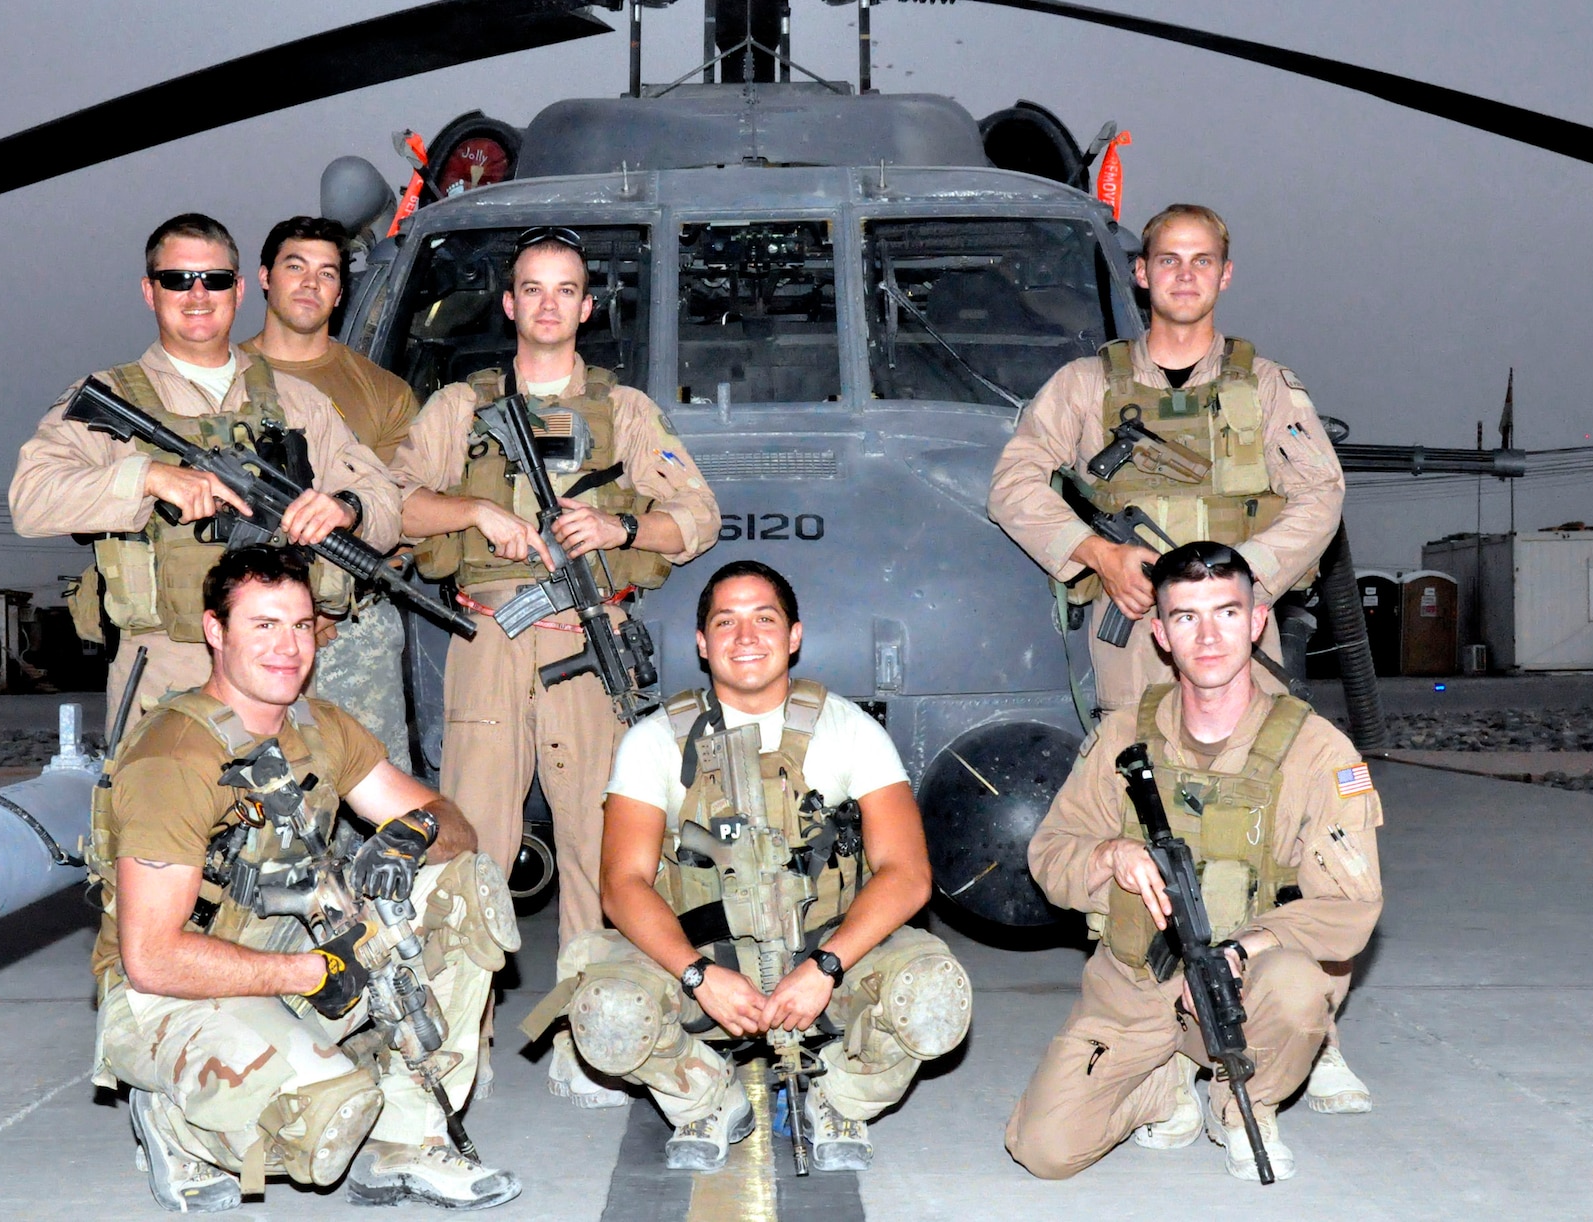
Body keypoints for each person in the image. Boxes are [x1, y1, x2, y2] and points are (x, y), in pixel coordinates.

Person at [986, 202, 1369, 1115]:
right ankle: (1151, 1036)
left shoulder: (1268, 386)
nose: (1186, 276)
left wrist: (1249, 584)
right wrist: (1100, 555)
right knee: (1143, 828)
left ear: (1224, 274)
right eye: (1169, 260)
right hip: (1134, 643)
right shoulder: (1087, 386)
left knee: (1278, 822)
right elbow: (1014, 481)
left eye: (1203, 261)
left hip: (1243, 638)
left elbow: (1320, 494)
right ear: (1143, 275)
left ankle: (1314, 1030)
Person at [88, 546, 522, 1212]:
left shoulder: (320, 728)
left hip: (286, 953)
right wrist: (313, 973)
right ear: (215, 631)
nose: (288, 646)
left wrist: (412, 834)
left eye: (298, 624)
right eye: (262, 625)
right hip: (171, 996)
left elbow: (453, 825)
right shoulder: (173, 756)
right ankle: (174, 1123)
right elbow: (151, 957)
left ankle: (409, 1139)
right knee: (327, 1126)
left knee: (464, 887)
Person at [535, 560, 973, 1172]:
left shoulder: (849, 732)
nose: (746, 637)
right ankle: (708, 1099)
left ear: (794, 636)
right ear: (702, 643)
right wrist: (695, 976)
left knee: (935, 995)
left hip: (827, 957)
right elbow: (622, 884)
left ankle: (839, 1099)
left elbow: (907, 872)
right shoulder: (655, 740)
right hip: (702, 963)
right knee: (605, 1006)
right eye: (726, 621)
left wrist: (827, 965)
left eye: (764, 619)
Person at [1004, 543, 1383, 1182]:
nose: (1208, 636)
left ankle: (1243, 1104)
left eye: (1226, 613)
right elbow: (1049, 857)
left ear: (1257, 620)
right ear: (1159, 633)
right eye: (1185, 617)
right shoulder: (1123, 736)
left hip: (1249, 986)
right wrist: (1110, 854)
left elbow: (1350, 910)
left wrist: (1244, 949)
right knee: (1043, 1149)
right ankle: (1166, 1083)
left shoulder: (1319, 751)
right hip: (1135, 984)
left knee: (1298, 986)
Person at [388, 227, 718, 943]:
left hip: (589, 638)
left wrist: (617, 531)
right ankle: (459, 1042)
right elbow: (395, 507)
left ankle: (592, 1031)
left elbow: (698, 516)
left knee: (599, 846)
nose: (548, 304)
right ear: (508, 304)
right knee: (470, 844)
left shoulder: (624, 410)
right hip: (489, 637)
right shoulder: (457, 408)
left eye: (565, 290)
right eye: (533, 289)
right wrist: (476, 510)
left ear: (586, 308)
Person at [10, 213, 401, 730]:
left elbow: (386, 498)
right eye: (177, 279)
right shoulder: (111, 398)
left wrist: (345, 507)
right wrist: (148, 478)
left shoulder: (296, 400)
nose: (198, 294)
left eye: (214, 280)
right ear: (150, 291)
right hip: (166, 669)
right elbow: (31, 500)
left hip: (280, 672)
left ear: (238, 289)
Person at [240, 214, 423, 766]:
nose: (310, 283)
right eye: (295, 267)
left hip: (354, 633)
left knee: (375, 799)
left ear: (342, 292)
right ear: (265, 277)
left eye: (327, 273)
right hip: (248, 634)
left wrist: (333, 608)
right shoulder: (218, 377)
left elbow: (407, 509)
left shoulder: (383, 392)